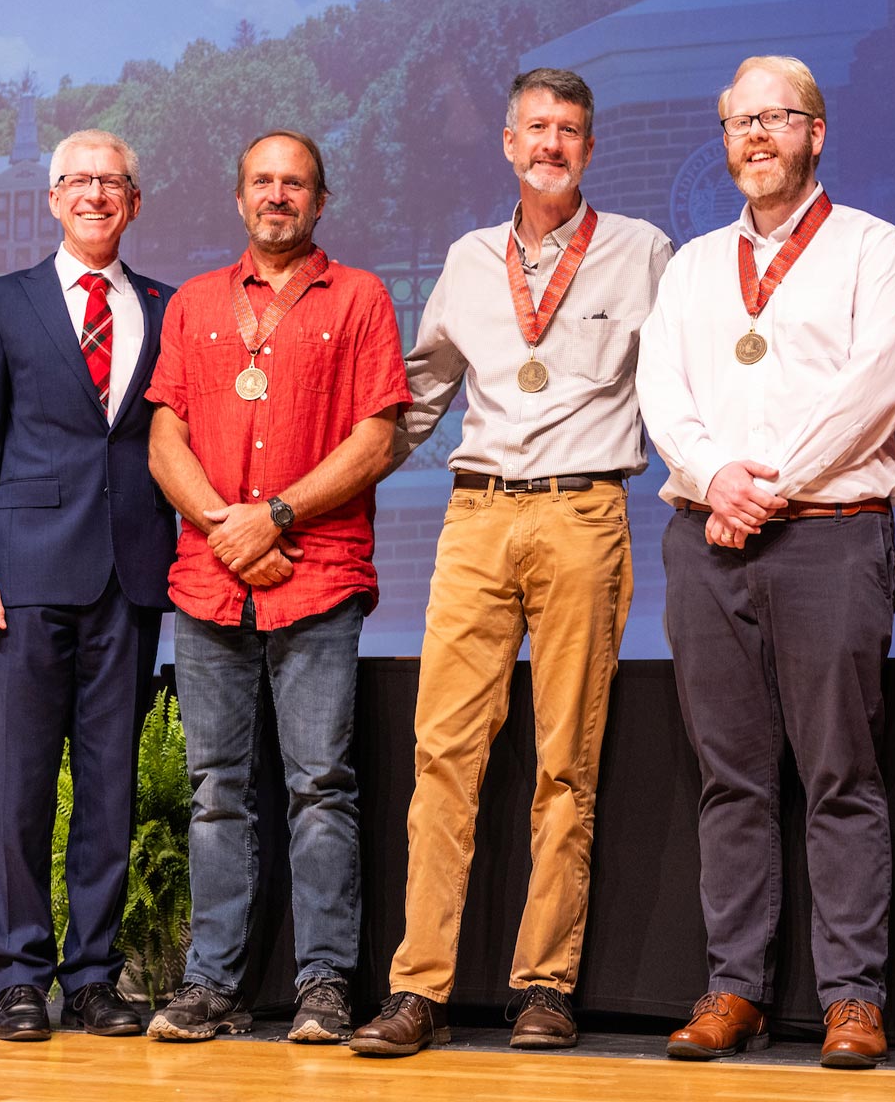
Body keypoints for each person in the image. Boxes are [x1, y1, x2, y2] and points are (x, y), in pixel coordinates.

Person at [348, 68, 672, 1058]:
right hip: (478, 517)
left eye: (570, 129)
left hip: (584, 513)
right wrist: (321, 484)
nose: (553, 144)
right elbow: (418, 395)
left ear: (589, 147)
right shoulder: (468, 257)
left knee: (564, 765)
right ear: (506, 143)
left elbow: (685, 378)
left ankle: (546, 984)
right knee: (443, 756)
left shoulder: (642, 252)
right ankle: (419, 990)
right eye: (537, 127)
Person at [636, 55, 895, 1069]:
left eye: (778, 117)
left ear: (817, 132)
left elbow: (878, 388)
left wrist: (768, 486)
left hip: (829, 535)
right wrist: (717, 476)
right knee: (732, 777)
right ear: (723, 141)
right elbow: (662, 393)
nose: (757, 135)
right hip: (707, 540)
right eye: (739, 120)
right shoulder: (690, 265)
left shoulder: (873, 250)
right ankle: (735, 990)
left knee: (840, 771)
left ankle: (852, 996)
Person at [143, 130, 411, 1044]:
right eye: (262, 181)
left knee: (320, 787)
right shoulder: (194, 303)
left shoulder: (363, 297)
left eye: (295, 184)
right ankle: (211, 985)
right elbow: (164, 439)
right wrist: (229, 525)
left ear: (320, 201)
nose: (278, 196)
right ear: (239, 197)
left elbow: (378, 440)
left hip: (318, 576)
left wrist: (279, 516)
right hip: (211, 579)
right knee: (218, 790)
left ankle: (325, 984)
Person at [0, 129, 177, 1041]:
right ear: (51, 199)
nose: (93, 195)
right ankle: (19, 978)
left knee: (110, 789)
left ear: (134, 200)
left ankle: (93, 979)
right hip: (29, 573)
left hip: (132, 571)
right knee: (24, 785)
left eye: (111, 181)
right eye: (77, 181)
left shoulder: (166, 306)